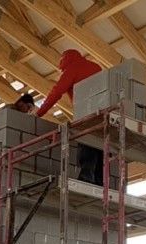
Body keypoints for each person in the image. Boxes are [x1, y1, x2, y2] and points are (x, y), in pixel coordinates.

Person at [37, 49, 103, 185]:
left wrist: (39, 113)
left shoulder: (72, 69)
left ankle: (86, 177)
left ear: (65, 59)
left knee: (87, 141)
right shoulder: (96, 67)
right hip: (104, 111)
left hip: (86, 110)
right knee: (100, 145)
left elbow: (56, 92)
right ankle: (99, 181)